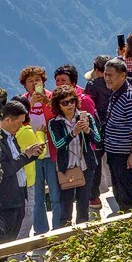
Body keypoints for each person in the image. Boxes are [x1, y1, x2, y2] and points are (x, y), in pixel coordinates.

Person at [48, 85, 102, 227]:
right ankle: (65, 238)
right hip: (67, 168)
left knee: (83, 205)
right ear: (58, 105)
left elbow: (97, 139)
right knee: (66, 207)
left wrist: (87, 130)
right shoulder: (54, 123)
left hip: (86, 166)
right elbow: (58, 144)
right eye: (65, 103)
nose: (70, 105)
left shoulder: (86, 117)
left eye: (72, 101)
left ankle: (82, 237)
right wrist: (73, 133)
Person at [0, 100, 42, 248]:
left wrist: (33, 155)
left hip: (18, 196)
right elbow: (4, 169)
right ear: (8, 120)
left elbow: (17, 162)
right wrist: (25, 156)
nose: (21, 126)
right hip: (5, 201)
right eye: (19, 122)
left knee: (12, 240)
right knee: (3, 242)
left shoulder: (11, 137)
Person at [20, 66, 62, 234]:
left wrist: (45, 103)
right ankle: (41, 230)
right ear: (25, 85)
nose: (34, 83)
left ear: (43, 82)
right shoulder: (23, 101)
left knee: (55, 194)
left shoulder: (52, 97)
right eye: (30, 81)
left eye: (37, 80)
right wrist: (29, 105)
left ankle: (59, 229)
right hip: (33, 155)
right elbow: (20, 122)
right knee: (37, 197)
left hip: (51, 152)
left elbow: (58, 118)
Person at [102, 57, 132, 213]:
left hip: (126, 156)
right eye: (105, 74)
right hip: (116, 154)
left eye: (111, 75)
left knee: (128, 196)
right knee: (119, 193)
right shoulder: (116, 92)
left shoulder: (130, 97)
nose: (107, 78)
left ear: (122, 75)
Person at [83, 54, 113, 210]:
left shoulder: (92, 85)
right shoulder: (118, 83)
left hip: (98, 128)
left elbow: (89, 107)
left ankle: (94, 197)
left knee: (96, 162)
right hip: (115, 128)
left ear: (96, 69)